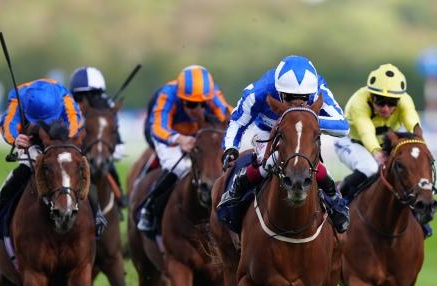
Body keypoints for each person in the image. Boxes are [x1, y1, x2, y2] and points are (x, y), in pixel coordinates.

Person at [218, 55, 350, 233]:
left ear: (311, 93)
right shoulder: (260, 90)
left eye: (304, 98)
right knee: (272, 159)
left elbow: (343, 126)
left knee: (307, 160)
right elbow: (237, 121)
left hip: (303, 132)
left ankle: (334, 200)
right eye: (289, 97)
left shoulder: (317, 87)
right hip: (267, 131)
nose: (297, 102)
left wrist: (304, 121)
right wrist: (231, 147)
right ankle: (238, 186)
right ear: (279, 91)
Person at [0, 78, 106, 238]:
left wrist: (63, 141)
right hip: (32, 140)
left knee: (78, 166)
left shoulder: (64, 96)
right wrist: (16, 138)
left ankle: (97, 214)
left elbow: (75, 123)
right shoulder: (17, 97)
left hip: (61, 138)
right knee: (25, 168)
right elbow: (7, 124)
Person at [334, 63, 432, 237]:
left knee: (402, 174)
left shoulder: (405, 100)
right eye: (380, 101)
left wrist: (419, 141)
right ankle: (337, 202)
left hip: (383, 143)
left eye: (392, 102)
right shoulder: (358, 102)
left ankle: (418, 217)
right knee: (370, 168)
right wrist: (378, 153)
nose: (386, 108)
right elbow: (366, 132)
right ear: (371, 97)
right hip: (351, 142)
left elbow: (413, 123)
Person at [136, 65, 232, 233]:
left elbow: (230, 116)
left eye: (202, 104)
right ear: (181, 99)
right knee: (180, 166)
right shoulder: (167, 95)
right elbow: (158, 128)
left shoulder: (212, 93)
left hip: (195, 132)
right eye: (191, 104)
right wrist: (179, 139)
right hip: (166, 133)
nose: (197, 109)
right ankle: (149, 208)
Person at [69, 66, 127, 207]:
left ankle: (119, 194)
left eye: (91, 95)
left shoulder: (108, 108)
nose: (84, 101)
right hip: (75, 150)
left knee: (107, 164)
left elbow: (117, 144)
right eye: (80, 96)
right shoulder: (68, 107)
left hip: (97, 152)